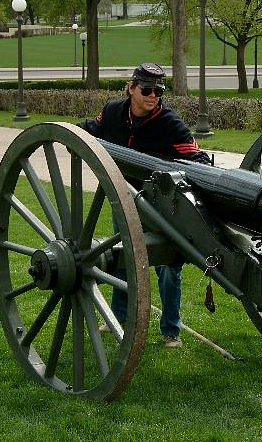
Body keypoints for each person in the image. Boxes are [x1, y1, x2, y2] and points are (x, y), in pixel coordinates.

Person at [77, 62, 211, 348]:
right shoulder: (114, 111)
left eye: (158, 92)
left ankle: (170, 331)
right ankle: (119, 315)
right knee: (124, 259)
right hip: (124, 198)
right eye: (147, 90)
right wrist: (68, 134)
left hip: (161, 204)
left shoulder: (170, 123)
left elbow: (195, 156)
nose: (153, 97)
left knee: (168, 267)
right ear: (132, 88)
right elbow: (92, 129)